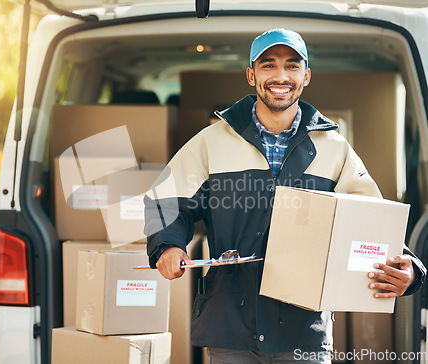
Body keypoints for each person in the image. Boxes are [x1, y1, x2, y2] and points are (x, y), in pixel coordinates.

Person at [144, 28, 426, 363]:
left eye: (292, 66)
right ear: (251, 75)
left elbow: (372, 221)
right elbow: (163, 200)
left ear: (306, 76)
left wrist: (410, 269)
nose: (281, 76)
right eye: (268, 65)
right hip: (231, 329)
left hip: (303, 330)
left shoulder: (334, 150)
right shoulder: (210, 142)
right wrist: (168, 244)